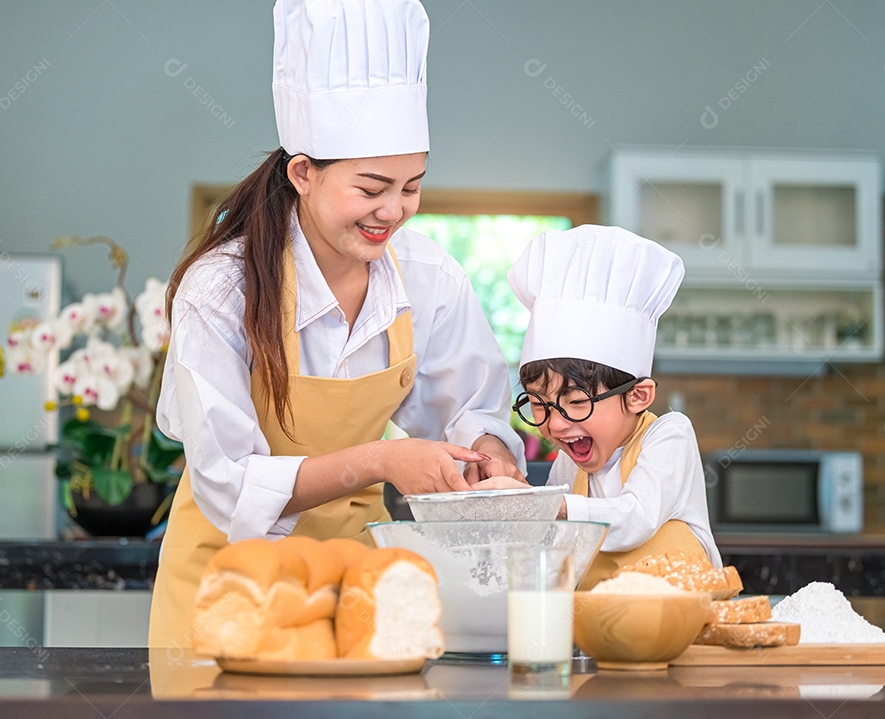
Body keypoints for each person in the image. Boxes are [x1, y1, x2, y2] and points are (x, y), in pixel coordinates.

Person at [148, 0, 524, 650]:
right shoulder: (221, 288)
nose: (394, 211)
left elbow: (470, 409)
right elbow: (227, 481)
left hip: (355, 588)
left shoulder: (429, 277)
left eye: (412, 186)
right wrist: (382, 458)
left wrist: (490, 459)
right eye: (371, 188)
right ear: (303, 173)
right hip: (226, 585)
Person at [507, 224, 721, 590]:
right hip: (595, 617)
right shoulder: (568, 463)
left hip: (681, 617)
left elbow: (635, 518)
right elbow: (554, 545)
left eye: (576, 402)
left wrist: (547, 505)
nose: (555, 425)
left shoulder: (668, 435)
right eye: (539, 405)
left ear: (638, 397)